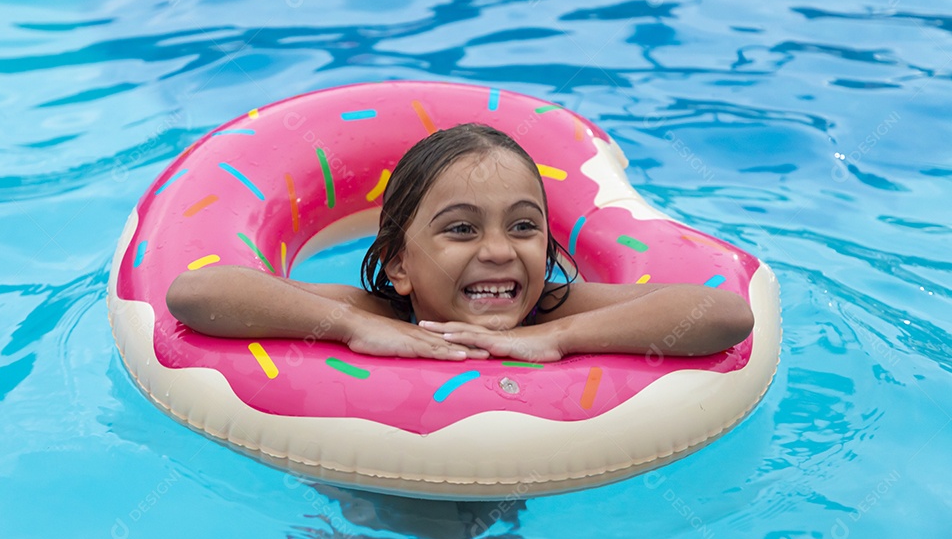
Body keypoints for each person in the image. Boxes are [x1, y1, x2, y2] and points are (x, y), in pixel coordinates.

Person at [166, 123, 754, 362]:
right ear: (399, 265)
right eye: (461, 228)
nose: (500, 250)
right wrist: (354, 327)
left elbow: (722, 314)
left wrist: (558, 337)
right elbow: (196, 293)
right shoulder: (377, 310)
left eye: (524, 226)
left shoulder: (552, 307)